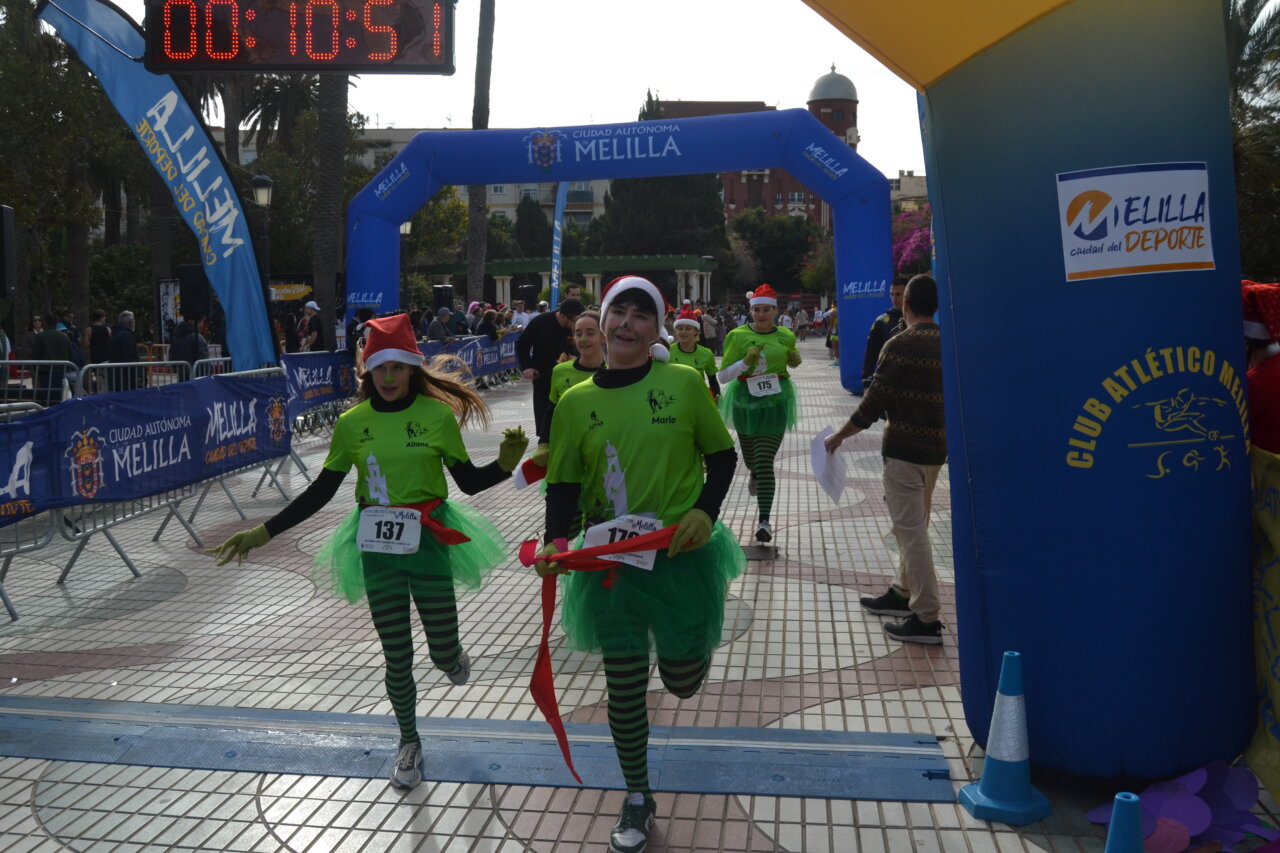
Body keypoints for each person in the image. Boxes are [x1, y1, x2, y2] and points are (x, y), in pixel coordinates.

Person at [208, 313, 529, 789]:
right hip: (377, 546)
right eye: (380, 368)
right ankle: (408, 743)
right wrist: (264, 532)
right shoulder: (352, 424)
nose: (389, 377)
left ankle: (452, 658)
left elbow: (467, 482)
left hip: (429, 540)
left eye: (398, 367)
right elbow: (321, 491)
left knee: (442, 652)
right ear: (367, 371)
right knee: (396, 656)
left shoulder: (436, 416)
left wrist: (503, 465)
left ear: (412, 369)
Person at [533, 275, 741, 853]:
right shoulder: (575, 401)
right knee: (623, 691)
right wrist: (554, 541)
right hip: (611, 566)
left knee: (682, 682)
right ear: (601, 323)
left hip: (679, 556)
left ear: (656, 329)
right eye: (617, 312)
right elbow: (563, 484)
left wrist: (704, 511)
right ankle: (638, 796)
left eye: (641, 315)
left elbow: (723, 457)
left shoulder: (683, 383)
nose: (627, 323)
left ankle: (689, 658)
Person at [824, 274, 946, 645]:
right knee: (914, 526)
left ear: (905, 304)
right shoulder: (948, 342)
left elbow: (873, 404)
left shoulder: (899, 344)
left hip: (904, 453)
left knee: (911, 535)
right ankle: (901, 592)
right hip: (936, 451)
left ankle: (927, 618)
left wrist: (838, 437)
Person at [716, 284, 801, 543]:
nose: (761, 314)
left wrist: (794, 361)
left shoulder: (786, 335)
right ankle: (753, 473)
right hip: (745, 402)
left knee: (765, 460)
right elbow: (722, 376)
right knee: (752, 459)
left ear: (775, 311)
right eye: (757, 310)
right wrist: (744, 363)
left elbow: (790, 361)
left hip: (776, 402)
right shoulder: (737, 336)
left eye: (766, 310)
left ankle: (764, 521)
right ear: (751, 311)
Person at [532, 309, 606, 467]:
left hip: (602, 456)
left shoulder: (613, 372)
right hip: (566, 454)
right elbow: (551, 410)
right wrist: (543, 444)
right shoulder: (560, 371)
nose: (583, 339)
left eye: (590, 333)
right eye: (578, 334)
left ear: (603, 337)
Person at [516, 298, 584, 440]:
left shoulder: (579, 328)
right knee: (545, 427)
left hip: (571, 381)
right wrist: (527, 366)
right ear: (563, 316)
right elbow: (522, 344)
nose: (576, 326)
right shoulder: (541, 322)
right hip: (544, 379)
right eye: (574, 321)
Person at [861, 277, 907, 391]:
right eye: (892, 294)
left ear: (908, 294)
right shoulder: (881, 322)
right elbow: (870, 355)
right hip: (889, 383)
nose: (894, 298)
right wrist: (867, 382)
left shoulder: (919, 319)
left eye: (898, 294)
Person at [670, 307, 720, 399]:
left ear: (696, 331)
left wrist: (717, 397)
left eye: (688, 328)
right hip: (673, 399)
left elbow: (713, 381)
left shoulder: (706, 354)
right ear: (676, 331)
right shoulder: (668, 351)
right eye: (680, 328)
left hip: (697, 399)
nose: (683, 332)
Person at [31, 313, 71, 405]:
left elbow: (36, 355)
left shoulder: (40, 336)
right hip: (61, 370)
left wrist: (35, 372)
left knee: (48, 398)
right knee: (60, 397)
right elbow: (69, 354)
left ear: (45, 323)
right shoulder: (64, 337)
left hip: (46, 371)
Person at [108, 311, 144, 391]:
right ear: (130, 322)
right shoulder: (126, 335)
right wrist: (137, 376)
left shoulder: (114, 333)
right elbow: (129, 357)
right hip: (125, 377)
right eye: (134, 321)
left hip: (115, 375)